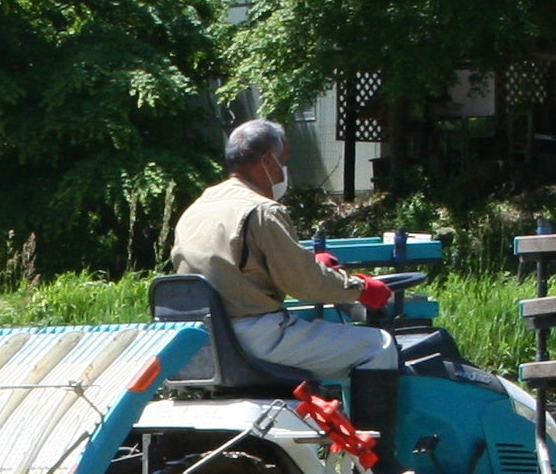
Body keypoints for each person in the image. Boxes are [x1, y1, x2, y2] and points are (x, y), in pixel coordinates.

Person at [167, 119, 396, 380]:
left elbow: (234, 269)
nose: (284, 171)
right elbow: (304, 284)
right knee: (379, 345)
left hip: (205, 337)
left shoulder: (196, 209)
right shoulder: (262, 210)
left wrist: (309, 263)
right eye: (283, 162)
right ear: (267, 161)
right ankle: (368, 423)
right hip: (258, 336)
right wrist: (362, 288)